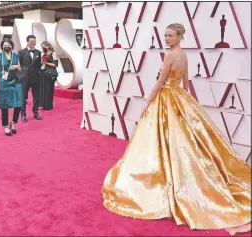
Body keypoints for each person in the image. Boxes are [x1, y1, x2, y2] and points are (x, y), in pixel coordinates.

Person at [101, 23, 251, 235]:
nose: (167, 38)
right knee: (182, 140)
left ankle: (166, 179)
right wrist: (188, 103)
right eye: (165, 35)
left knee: (162, 139)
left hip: (167, 98)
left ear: (180, 37)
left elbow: (161, 82)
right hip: (179, 97)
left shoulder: (170, 55)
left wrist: (147, 102)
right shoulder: (184, 55)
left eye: (170, 36)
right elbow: (186, 82)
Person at [18, 35, 42, 122]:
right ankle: (23, 114)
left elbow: (39, 65)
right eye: (31, 41)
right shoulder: (21, 52)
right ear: (27, 42)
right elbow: (19, 65)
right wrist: (21, 75)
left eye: (34, 41)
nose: (33, 43)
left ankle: (35, 113)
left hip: (35, 77)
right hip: (25, 77)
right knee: (23, 96)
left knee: (36, 96)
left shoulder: (38, 52)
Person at [39, 41, 58, 110]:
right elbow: (41, 63)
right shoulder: (44, 54)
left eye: (44, 46)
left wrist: (46, 63)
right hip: (43, 72)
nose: (43, 48)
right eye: (42, 47)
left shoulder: (53, 53)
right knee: (43, 89)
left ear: (48, 46)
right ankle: (44, 104)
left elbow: (55, 64)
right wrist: (42, 60)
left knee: (49, 89)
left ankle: (49, 105)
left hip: (50, 73)